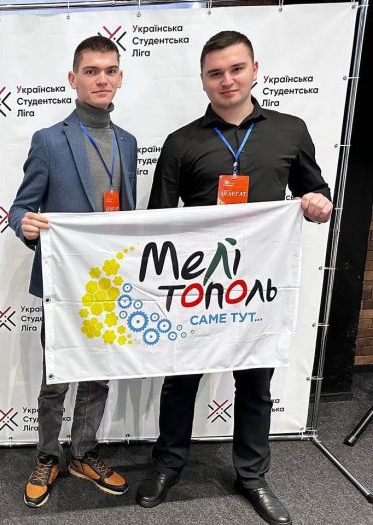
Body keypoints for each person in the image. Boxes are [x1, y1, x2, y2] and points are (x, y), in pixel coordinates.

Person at [136, 31, 332, 525]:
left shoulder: (290, 130)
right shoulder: (181, 142)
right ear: (203, 81)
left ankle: (252, 476)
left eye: (236, 69)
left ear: (254, 69)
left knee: (256, 383)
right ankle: (168, 464)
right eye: (215, 73)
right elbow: (158, 219)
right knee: (181, 378)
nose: (227, 80)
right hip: (197, 286)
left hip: (258, 286)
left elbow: (316, 193)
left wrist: (317, 204)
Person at [9, 35, 138, 508]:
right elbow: (20, 208)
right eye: (91, 71)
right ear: (73, 78)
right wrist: (25, 224)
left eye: (109, 70)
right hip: (62, 283)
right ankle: (48, 455)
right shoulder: (49, 140)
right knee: (56, 376)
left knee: (98, 372)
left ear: (119, 78)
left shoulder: (128, 143)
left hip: (108, 282)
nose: (101, 79)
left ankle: (84, 452)